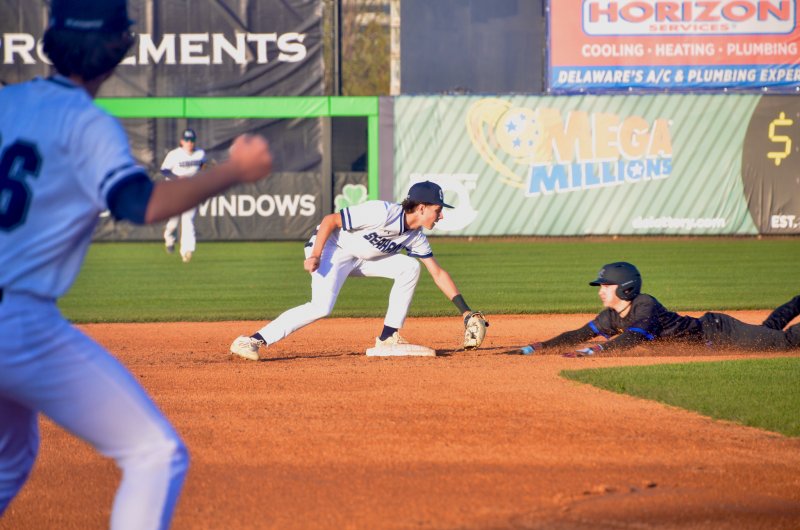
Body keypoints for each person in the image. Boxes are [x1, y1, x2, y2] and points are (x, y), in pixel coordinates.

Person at [0, 1, 273, 528]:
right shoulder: (87, 122)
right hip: (18, 324)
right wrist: (234, 171)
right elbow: (139, 205)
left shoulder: (8, 102)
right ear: (119, 47)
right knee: (156, 454)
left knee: (10, 457)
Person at [230, 181, 480, 360]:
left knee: (410, 267)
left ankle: (387, 338)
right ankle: (251, 340)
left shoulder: (415, 237)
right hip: (332, 249)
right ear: (422, 207)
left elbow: (437, 273)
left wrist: (466, 312)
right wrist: (315, 255)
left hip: (361, 257)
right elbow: (330, 221)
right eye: (438, 210)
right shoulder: (381, 212)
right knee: (321, 306)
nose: (441, 216)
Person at [510, 262, 800, 357]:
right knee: (768, 332)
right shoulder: (613, 314)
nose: (600, 291)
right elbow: (579, 334)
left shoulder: (644, 306)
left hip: (721, 332)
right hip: (714, 334)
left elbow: (634, 338)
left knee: (782, 343)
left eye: (606, 285)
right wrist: (533, 348)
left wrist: (594, 351)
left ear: (625, 288)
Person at [161, 128, 206, 262]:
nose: (190, 143)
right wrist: (178, 178)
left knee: (188, 220)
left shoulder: (200, 153)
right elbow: (164, 170)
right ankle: (169, 238)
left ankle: (187, 250)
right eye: (187, 140)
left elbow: (202, 165)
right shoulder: (174, 154)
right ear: (182, 141)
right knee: (173, 223)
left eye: (192, 140)